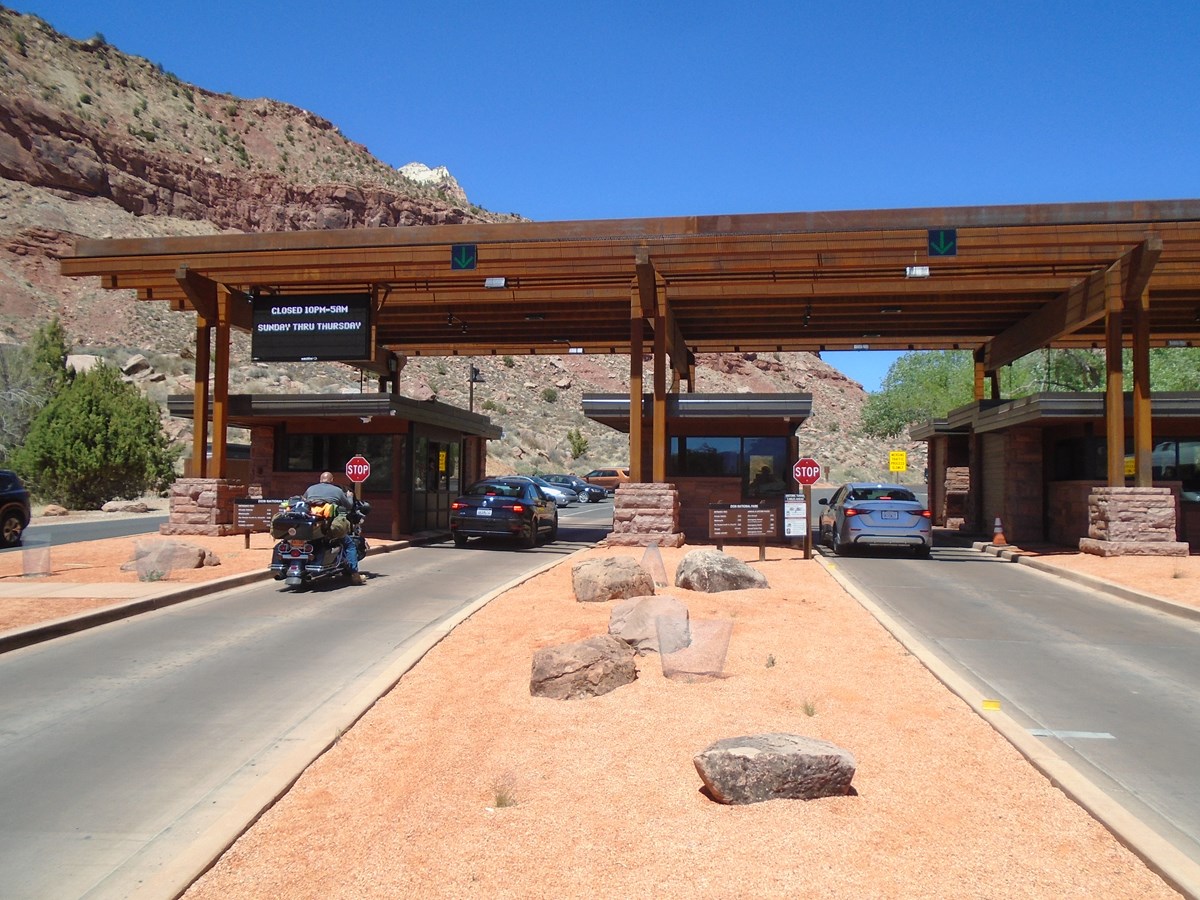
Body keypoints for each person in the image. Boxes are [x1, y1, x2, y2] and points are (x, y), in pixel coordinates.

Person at [304, 471, 363, 585]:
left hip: (312, 527)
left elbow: (304, 501)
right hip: (328, 526)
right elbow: (348, 505)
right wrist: (349, 497)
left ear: (320, 479)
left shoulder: (310, 489)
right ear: (331, 480)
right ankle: (355, 574)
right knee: (349, 544)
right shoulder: (337, 490)